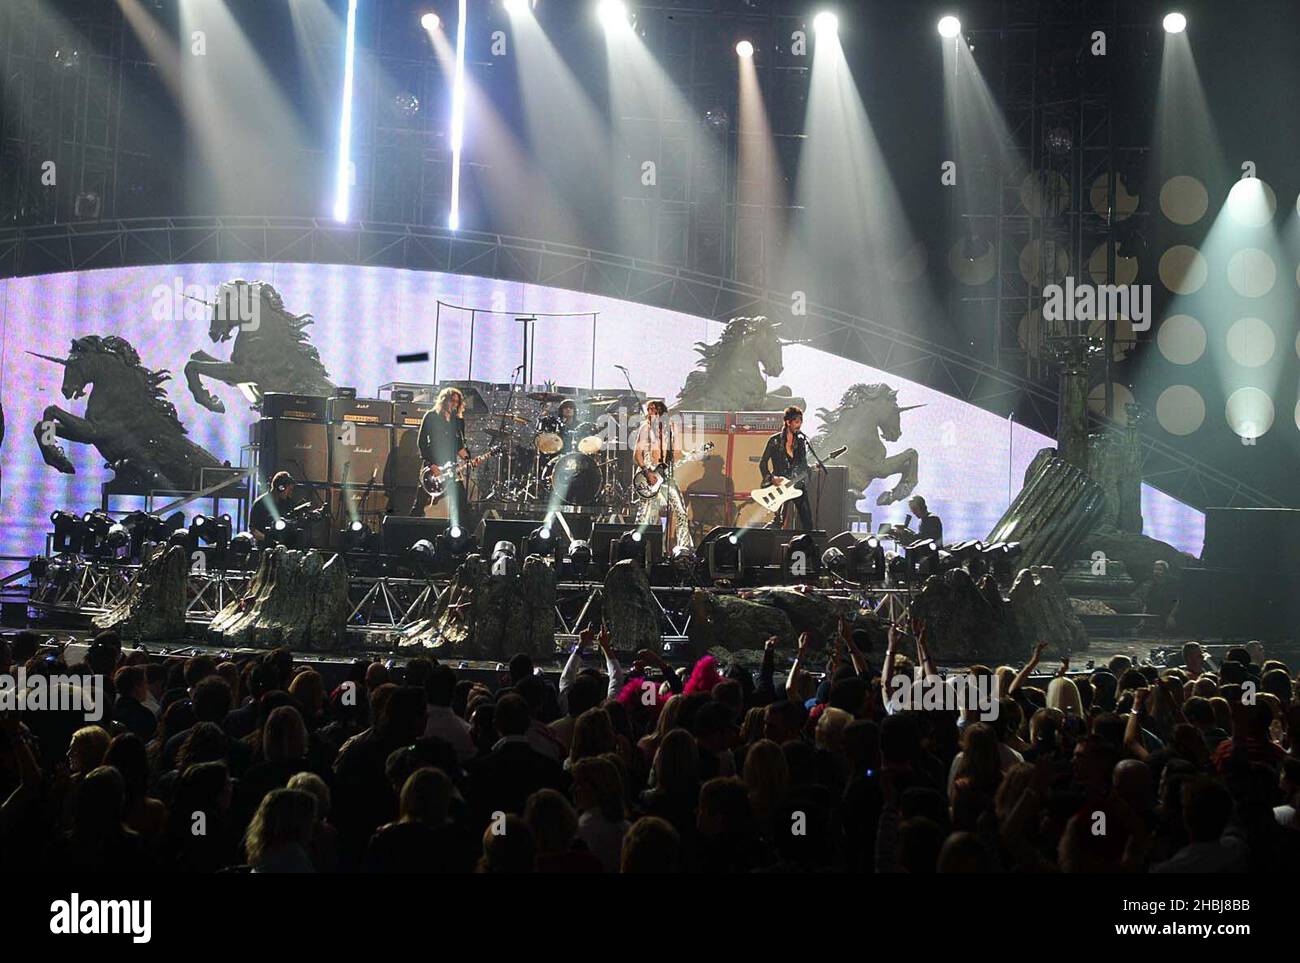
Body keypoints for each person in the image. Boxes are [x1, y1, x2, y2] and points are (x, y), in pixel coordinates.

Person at [633, 400, 693, 551]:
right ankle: (640, 548)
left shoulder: (672, 428)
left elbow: (677, 454)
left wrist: (691, 455)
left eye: (653, 410)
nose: (650, 412)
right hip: (648, 476)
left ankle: (683, 549)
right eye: (649, 410)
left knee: (681, 512)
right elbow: (637, 455)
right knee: (646, 517)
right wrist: (647, 472)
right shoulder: (645, 428)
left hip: (665, 476)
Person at [412, 386, 470, 521]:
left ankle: (463, 535)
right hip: (433, 466)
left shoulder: (458, 421)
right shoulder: (431, 416)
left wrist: (468, 459)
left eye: (457, 402)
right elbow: (421, 442)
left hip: (451, 468)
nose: (454, 404)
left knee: (462, 503)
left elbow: (459, 446)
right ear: (444, 400)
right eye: (452, 401)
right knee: (421, 502)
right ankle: (411, 529)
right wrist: (431, 464)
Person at [758, 405, 815, 531]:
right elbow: (763, 463)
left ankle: (808, 543)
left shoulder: (800, 442)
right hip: (779, 485)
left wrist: (808, 470)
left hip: (795, 483)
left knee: (807, 518)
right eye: (796, 422)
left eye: (800, 422)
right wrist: (772, 478)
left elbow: (803, 463)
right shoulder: (774, 441)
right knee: (778, 521)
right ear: (788, 422)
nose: (799, 425)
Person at [248, 471, 298, 544]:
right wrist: (269, 541)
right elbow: (253, 530)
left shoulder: (288, 503)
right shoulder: (260, 504)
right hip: (265, 547)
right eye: (289, 490)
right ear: (281, 488)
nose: (290, 493)